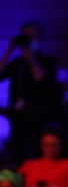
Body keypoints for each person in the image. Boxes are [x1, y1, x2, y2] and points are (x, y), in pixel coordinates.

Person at [0, 21, 63, 165]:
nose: (28, 41)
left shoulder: (49, 62)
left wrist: (31, 59)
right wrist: (10, 49)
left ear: (40, 39)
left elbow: (44, 83)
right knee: (18, 157)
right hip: (18, 121)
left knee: (36, 156)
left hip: (40, 120)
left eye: (31, 38)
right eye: (25, 37)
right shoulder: (17, 63)